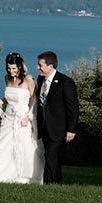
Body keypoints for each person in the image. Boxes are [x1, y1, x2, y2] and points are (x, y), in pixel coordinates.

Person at [0, 52, 44, 184]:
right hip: (9, 117)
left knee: (25, 146)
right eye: (9, 68)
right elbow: (9, 97)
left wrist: (28, 117)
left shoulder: (28, 79)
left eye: (14, 68)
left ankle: (25, 176)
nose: (11, 71)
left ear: (19, 66)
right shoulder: (7, 78)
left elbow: (34, 100)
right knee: (3, 144)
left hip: (23, 117)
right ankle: (2, 175)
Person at [36, 50, 79, 184]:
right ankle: (51, 182)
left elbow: (73, 108)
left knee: (52, 154)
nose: (38, 68)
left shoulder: (65, 82)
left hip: (59, 128)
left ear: (50, 66)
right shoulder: (40, 79)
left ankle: (54, 183)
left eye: (40, 65)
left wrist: (71, 129)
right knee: (49, 155)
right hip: (44, 126)